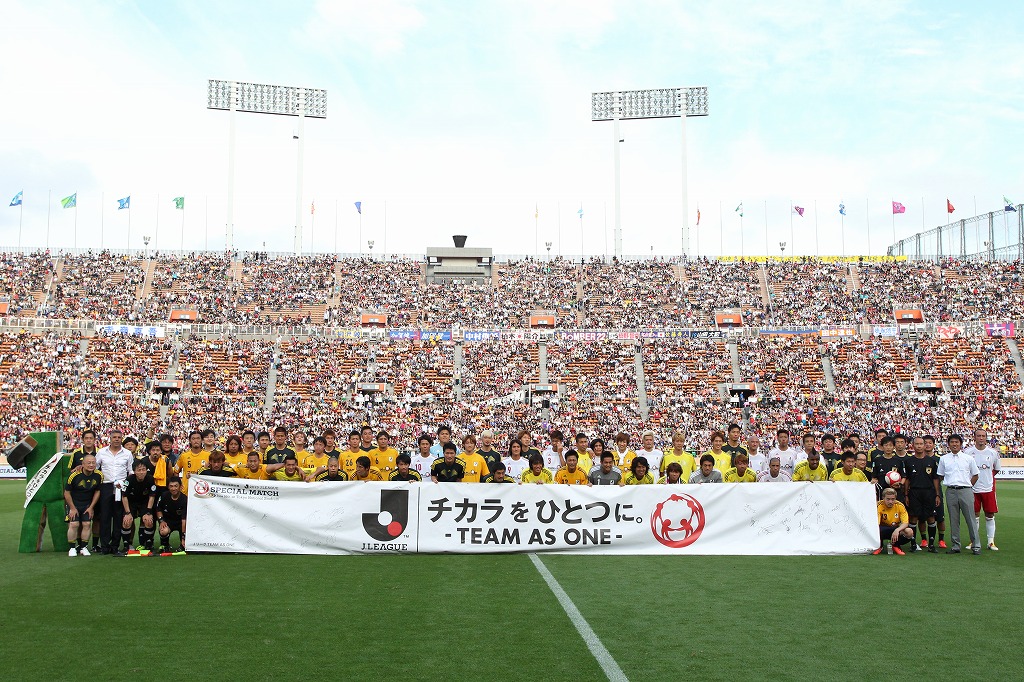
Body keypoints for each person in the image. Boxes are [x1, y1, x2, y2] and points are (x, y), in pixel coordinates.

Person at [937, 434, 980, 555]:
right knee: (953, 519)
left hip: (965, 490)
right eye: (952, 442)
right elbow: (940, 475)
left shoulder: (968, 458)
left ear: (961, 444)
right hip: (951, 490)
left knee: (970, 519)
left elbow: (976, 475)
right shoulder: (944, 459)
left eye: (956, 442)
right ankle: (956, 545)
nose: (954, 444)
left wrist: (968, 486)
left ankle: (976, 546)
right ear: (948, 444)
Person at [95, 428, 133, 554]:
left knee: (118, 518)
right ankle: (105, 546)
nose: (116, 439)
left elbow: (130, 472)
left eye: (118, 437)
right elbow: (95, 468)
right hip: (106, 486)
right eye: (114, 437)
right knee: (105, 517)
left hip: (120, 487)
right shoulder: (101, 452)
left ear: (121, 439)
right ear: (110, 438)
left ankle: (115, 545)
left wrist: (125, 485)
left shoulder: (127, 453)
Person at [904, 436, 941, 553]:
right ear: (913, 446)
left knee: (931, 517)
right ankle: (913, 544)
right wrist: (906, 495)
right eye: (917, 444)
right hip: (914, 492)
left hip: (929, 492)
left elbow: (935, 479)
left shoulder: (931, 461)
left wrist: (937, 494)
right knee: (913, 517)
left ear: (925, 445)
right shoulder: (909, 461)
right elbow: (907, 480)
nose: (919, 446)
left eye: (921, 444)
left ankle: (931, 544)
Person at [967, 428, 1000, 551]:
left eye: (983, 436)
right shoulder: (968, 452)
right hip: (973, 489)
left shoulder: (993, 453)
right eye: (978, 436)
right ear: (974, 437)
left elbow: (996, 469)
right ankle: (974, 540)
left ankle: (991, 542)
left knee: (989, 515)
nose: (981, 438)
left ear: (986, 437)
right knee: (974, 515)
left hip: (988, 488)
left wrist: (986, 479)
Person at [64, 453, 102, 556]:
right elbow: (67, 492)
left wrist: (91, 507)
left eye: (93, 463)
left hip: (87, 504)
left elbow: (97, 491)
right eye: (88, 463)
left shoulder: (99, 475)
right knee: (74, 524)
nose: (91, 465)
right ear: (83, 464)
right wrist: (72, 508)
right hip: (74, 503)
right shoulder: (74, 476)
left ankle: (83, 547)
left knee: (87, 524)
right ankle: (72, 548)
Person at [120, 458, 157, 555]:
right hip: (131, 503)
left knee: (148, 520)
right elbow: (124, 496)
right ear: (134, 471)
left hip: (144, 502)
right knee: (127, 521)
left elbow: (152, 496)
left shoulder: (150, 479)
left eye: (143, 469)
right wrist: (127, 513)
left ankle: (148, 545)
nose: (141, 472)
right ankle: (126, 546)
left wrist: (149, 511)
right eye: (139, 470)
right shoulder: (129, 480)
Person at [873, 487, 914, 555]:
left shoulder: (900, 505)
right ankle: (879, 546)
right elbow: (876, 524)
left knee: (909, 532)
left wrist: (897, 530)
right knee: (876, 530)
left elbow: (905, 523)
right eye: (888, 499)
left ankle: (896, 545)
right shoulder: (879, 505)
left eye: (893, 499)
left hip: (895, 528)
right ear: (883, 498)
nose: (890, 502)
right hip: (882, 529)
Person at [155, 477, 187, 555]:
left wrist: (183, 537)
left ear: (180, 486)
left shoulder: (184, 499)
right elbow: (158, 509)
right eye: (171, 486)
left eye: (176, 486)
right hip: (168, 521)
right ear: (168, 487)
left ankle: (182, 544)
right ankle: (165, 545)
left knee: (185, 544)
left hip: (180, 522)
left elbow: (184, 520)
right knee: (163, 531)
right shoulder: (164, 495)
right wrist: (161, 520)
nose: (173, 488)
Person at [870, 436, 906, 502]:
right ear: (882, 447)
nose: (888, 448)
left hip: (895, 492)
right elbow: (873, 477)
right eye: (886, 445)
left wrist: (900, 484)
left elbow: (903, 477)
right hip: (882, 492)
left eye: (890, 445)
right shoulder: (877, 460)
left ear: (894, 447)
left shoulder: (898, 461)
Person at [174, 430, 209, 497]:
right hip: (186, 491)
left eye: (198, 438)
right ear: (190, 441)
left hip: (202, 490)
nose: (196, 441)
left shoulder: (208, 455)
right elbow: (176, 471)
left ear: (202, 440)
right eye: (193, 439)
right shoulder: (184, 455)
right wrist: (179, 484)